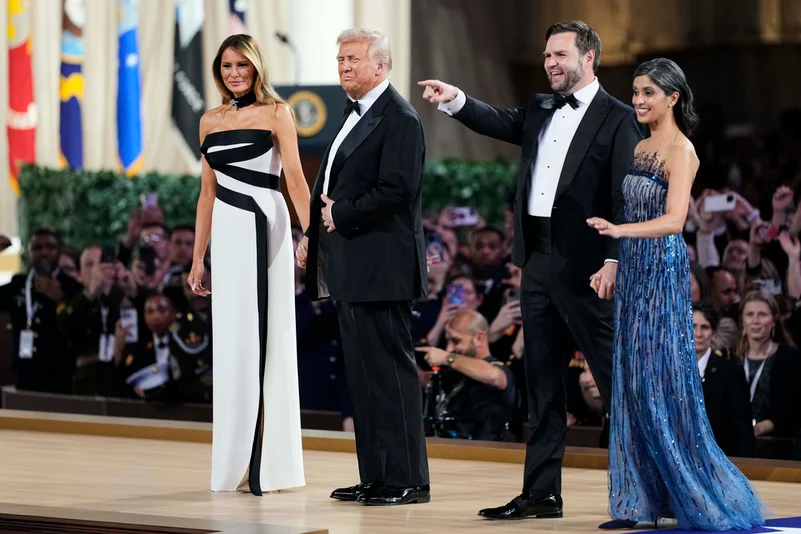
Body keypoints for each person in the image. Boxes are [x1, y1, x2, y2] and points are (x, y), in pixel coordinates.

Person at [419, 20, 642, 519]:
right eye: (546, 56)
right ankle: (542, 493)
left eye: (560, 55)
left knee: (614, 386)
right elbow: (498, 121)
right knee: (541, 386)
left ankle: (637, 496)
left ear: (589, 59)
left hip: (589, 268)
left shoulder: (618, 118)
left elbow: (624, 196)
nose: (550, 63)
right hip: (536, 263)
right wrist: (456, 99)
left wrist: (613, 260)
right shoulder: (542, 107)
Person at [586, 57, 767, 530]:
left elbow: (674, 221)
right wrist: (615, 260)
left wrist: (620, 232)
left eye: (649, 92)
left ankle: (693, 493)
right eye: (636, 91)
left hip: (662, 272)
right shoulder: (642, 144)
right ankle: (640, 503)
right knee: (630, 383)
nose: (639, 100)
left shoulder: (681, 149)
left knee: (659, 383)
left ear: (673, 97)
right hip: (635, 271)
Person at [296, 28, 430, 506]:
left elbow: (398, 189)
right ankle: (376, 475)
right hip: (353, 265)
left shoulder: (401, 118)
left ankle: (408, 479)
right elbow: (328, 181)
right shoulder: (352, 115)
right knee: (365, 379)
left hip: (383, 266)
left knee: (392, 377)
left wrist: (340, 214)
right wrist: (313, 231)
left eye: (353, 58)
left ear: (381, 65)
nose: (344, 66)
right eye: (340, 59)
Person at [187, 34, 309, 496]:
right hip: (229, 231)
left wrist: (308, 233)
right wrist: (199, 258)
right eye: (225, 67)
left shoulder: (278, 112)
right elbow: (206, 194)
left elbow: (295, 178)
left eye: (241, 65)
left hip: (266, 224)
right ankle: (236, 458)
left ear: (257, 68)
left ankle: (271, 463)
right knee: (234, 340)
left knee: (269, 335)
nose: (233, 73)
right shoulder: (208, 120)